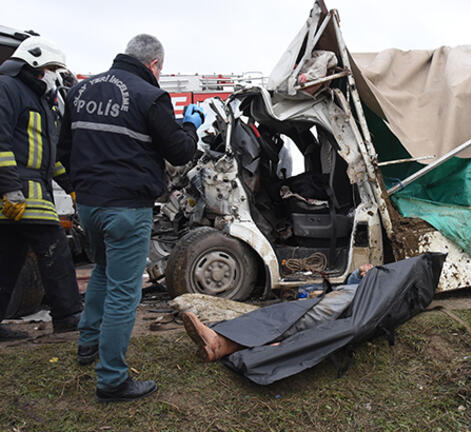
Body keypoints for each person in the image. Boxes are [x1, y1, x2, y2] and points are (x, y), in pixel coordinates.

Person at [58, 34, 204, 402]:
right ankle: (111, 380)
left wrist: (79, 190)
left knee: (104, 273)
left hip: (89, 206)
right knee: (125, 292)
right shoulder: (149, 95)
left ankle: (87, 345)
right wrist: (192, 122)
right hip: (127, 207)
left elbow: (61, 151)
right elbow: (182, 151)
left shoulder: (80, 91)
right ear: (154, 64)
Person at [0, 36, 83, 341]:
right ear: (33, 64)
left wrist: (72, 188)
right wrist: (10, 190)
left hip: (30, 190)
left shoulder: (41, 102)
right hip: (21, 192)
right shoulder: (7, 88)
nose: (52, 75)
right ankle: (68, 316)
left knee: (7, 263)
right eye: (49, 68)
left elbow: (51, 161)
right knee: (56, 251)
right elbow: (0, 142)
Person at [182, 264, 374, 362]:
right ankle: (220, 344)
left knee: (300, 316)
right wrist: (359, 274)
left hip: (360, 302)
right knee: (288, 312)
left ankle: (219, 343)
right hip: (357, 295)